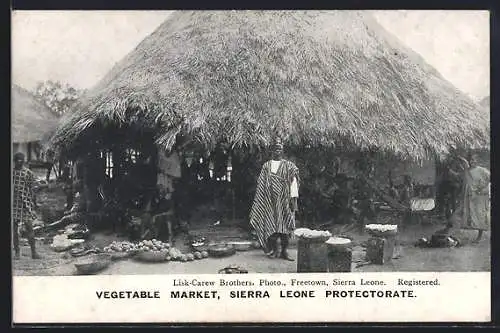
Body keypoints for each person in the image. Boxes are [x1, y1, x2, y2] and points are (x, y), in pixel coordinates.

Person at [249, 138, 299, 261]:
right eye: (275, 148)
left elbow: (293, 183)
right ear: (272, 150)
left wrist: (293, 200)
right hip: (269, 202)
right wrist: (262, 200)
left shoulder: (289, 166)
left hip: (284, 202)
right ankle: (274, 250)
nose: (278, 150)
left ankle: (284, 252)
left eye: (280, 148)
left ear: (283, 151)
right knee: (271, 228)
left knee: (285, 228)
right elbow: (261, 184)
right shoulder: (266, 166)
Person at [448, 153, 490, 243]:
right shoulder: (467, 171)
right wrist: (451, 171)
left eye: (474, 160)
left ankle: (479, 237)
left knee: (479, 216)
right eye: (471, 160)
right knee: (461, 214)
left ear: (478, 161)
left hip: (478, 197)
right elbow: (459, 176)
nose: (472, 162)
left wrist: (480, 188)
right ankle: (456, 235)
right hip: (467, 197)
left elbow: (488, 179)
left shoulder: (483, 171)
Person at [12, 152, 41, 259]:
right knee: (14, 230)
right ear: (15, 161)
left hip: (25, 204)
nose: (20, 161)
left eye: (22, 159)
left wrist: (33, 202)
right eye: (18, 159)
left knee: (29, 227)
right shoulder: (12, 172)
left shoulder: (28, 173)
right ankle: (17, 252)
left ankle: (34, 252)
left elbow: (33, 188)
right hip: (13, 204)